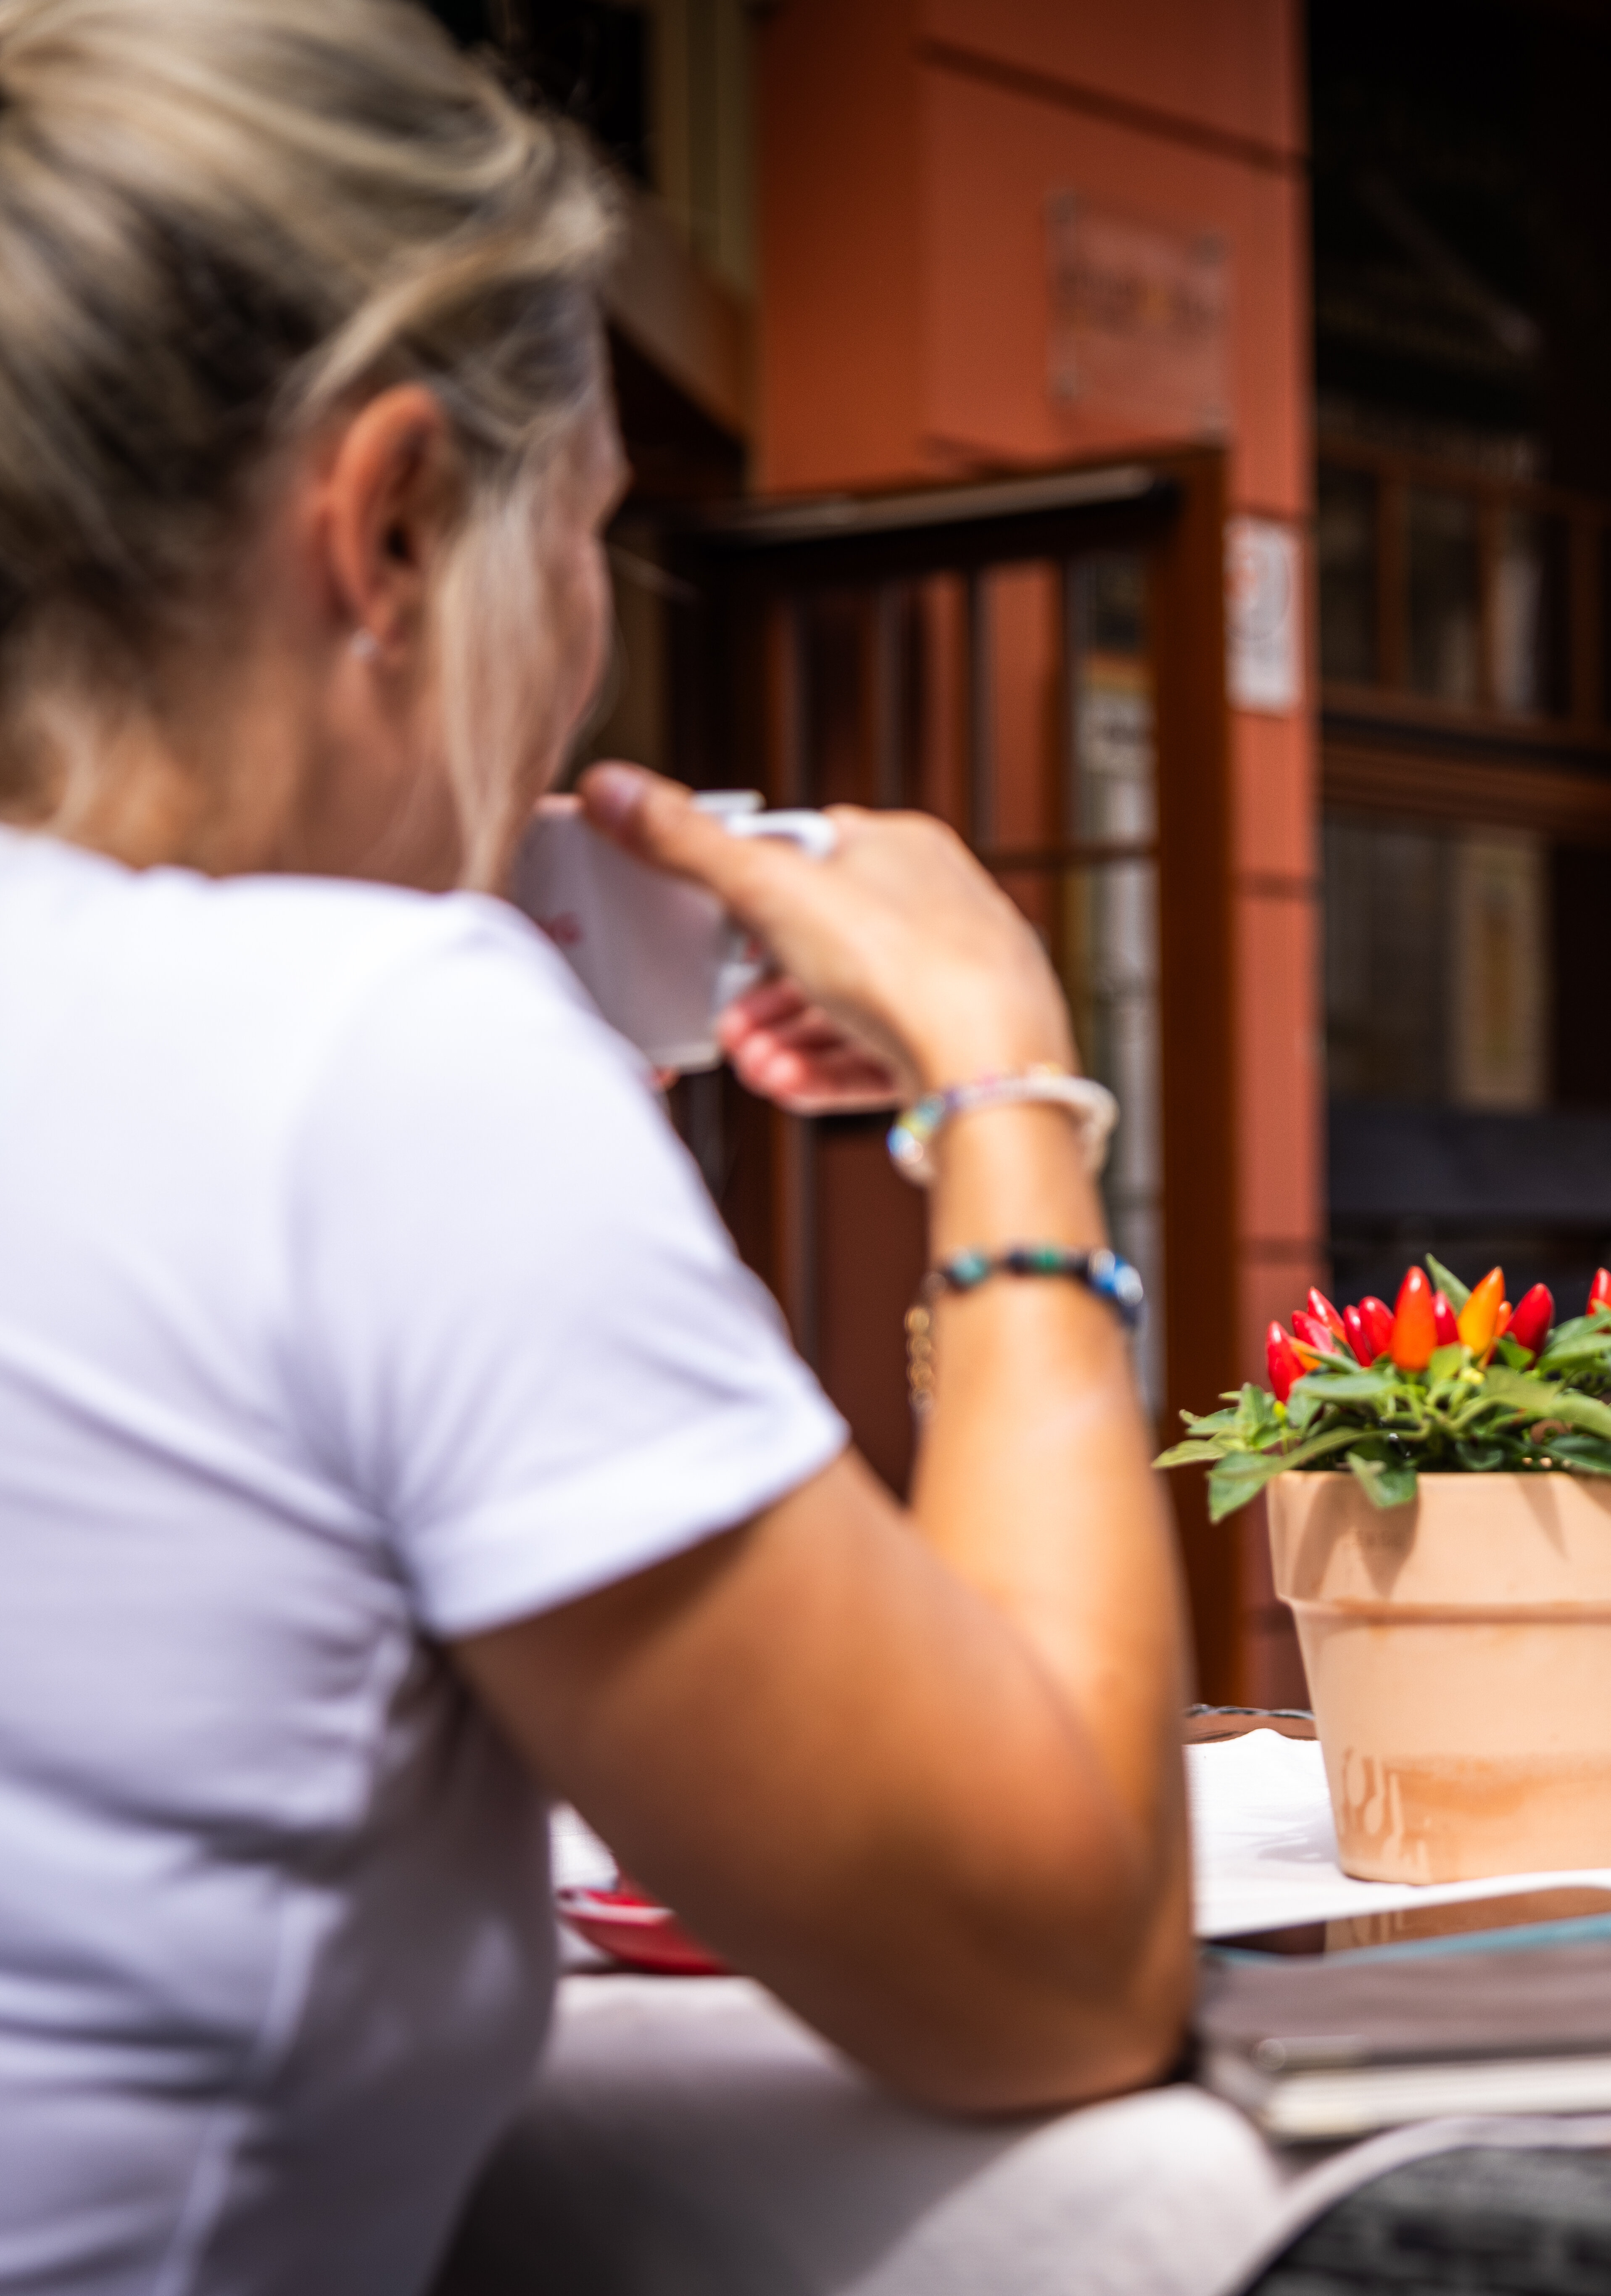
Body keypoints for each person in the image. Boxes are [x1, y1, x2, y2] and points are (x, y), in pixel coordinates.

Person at [0, 4, 1190, 2290]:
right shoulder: (370, 1061)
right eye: (591, 552)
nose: (582, 657)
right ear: (392, 521)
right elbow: (1057, 1961)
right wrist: (1005, 1093)